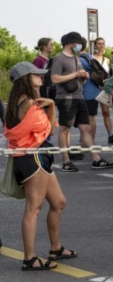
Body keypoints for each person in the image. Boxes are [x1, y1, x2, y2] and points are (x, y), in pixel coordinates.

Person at [4, 62, 78, 271]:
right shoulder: (28, 103)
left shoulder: (20, 102)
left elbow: (47, 130)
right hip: (33, 156)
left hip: (35, 155)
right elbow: (49, 131)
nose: (41, 77)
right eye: (36, 75)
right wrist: (51, 106)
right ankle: (29, 258)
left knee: (59, 202)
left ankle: (55, 248)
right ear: (25, 79)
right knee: (33, 209)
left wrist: (50, 105)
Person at [51, 32, 111, 171]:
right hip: (66, 99)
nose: (80, 46)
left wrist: (84, 77)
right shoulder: (59, 59)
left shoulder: (77, 58)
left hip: (79, 97)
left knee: (86, 128)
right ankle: (66, 161)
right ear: (71, 43)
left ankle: (96, 158)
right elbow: (54, 79)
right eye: (78, 43)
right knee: (65, 129)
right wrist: (75, 74)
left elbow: (77, 77)